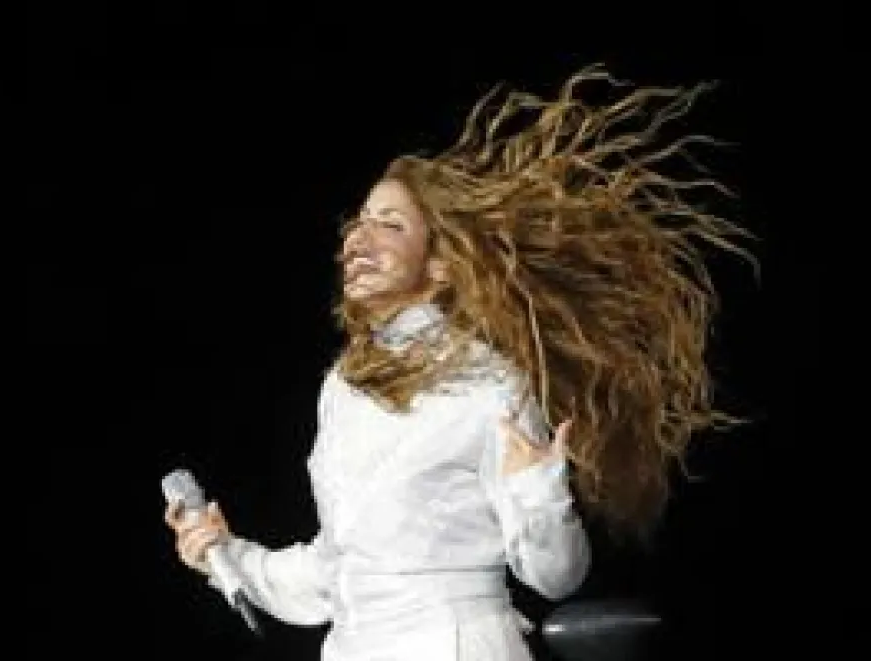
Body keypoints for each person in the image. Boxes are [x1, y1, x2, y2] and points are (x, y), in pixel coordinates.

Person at [164, 65, 754, 660]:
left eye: (390, 226)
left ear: (440, 266)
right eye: (358, 223)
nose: (358, 241)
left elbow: (556, 576)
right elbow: (336, 570)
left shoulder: (488, 385)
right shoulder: (343, 387)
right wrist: (227, 555)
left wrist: (538, 488)